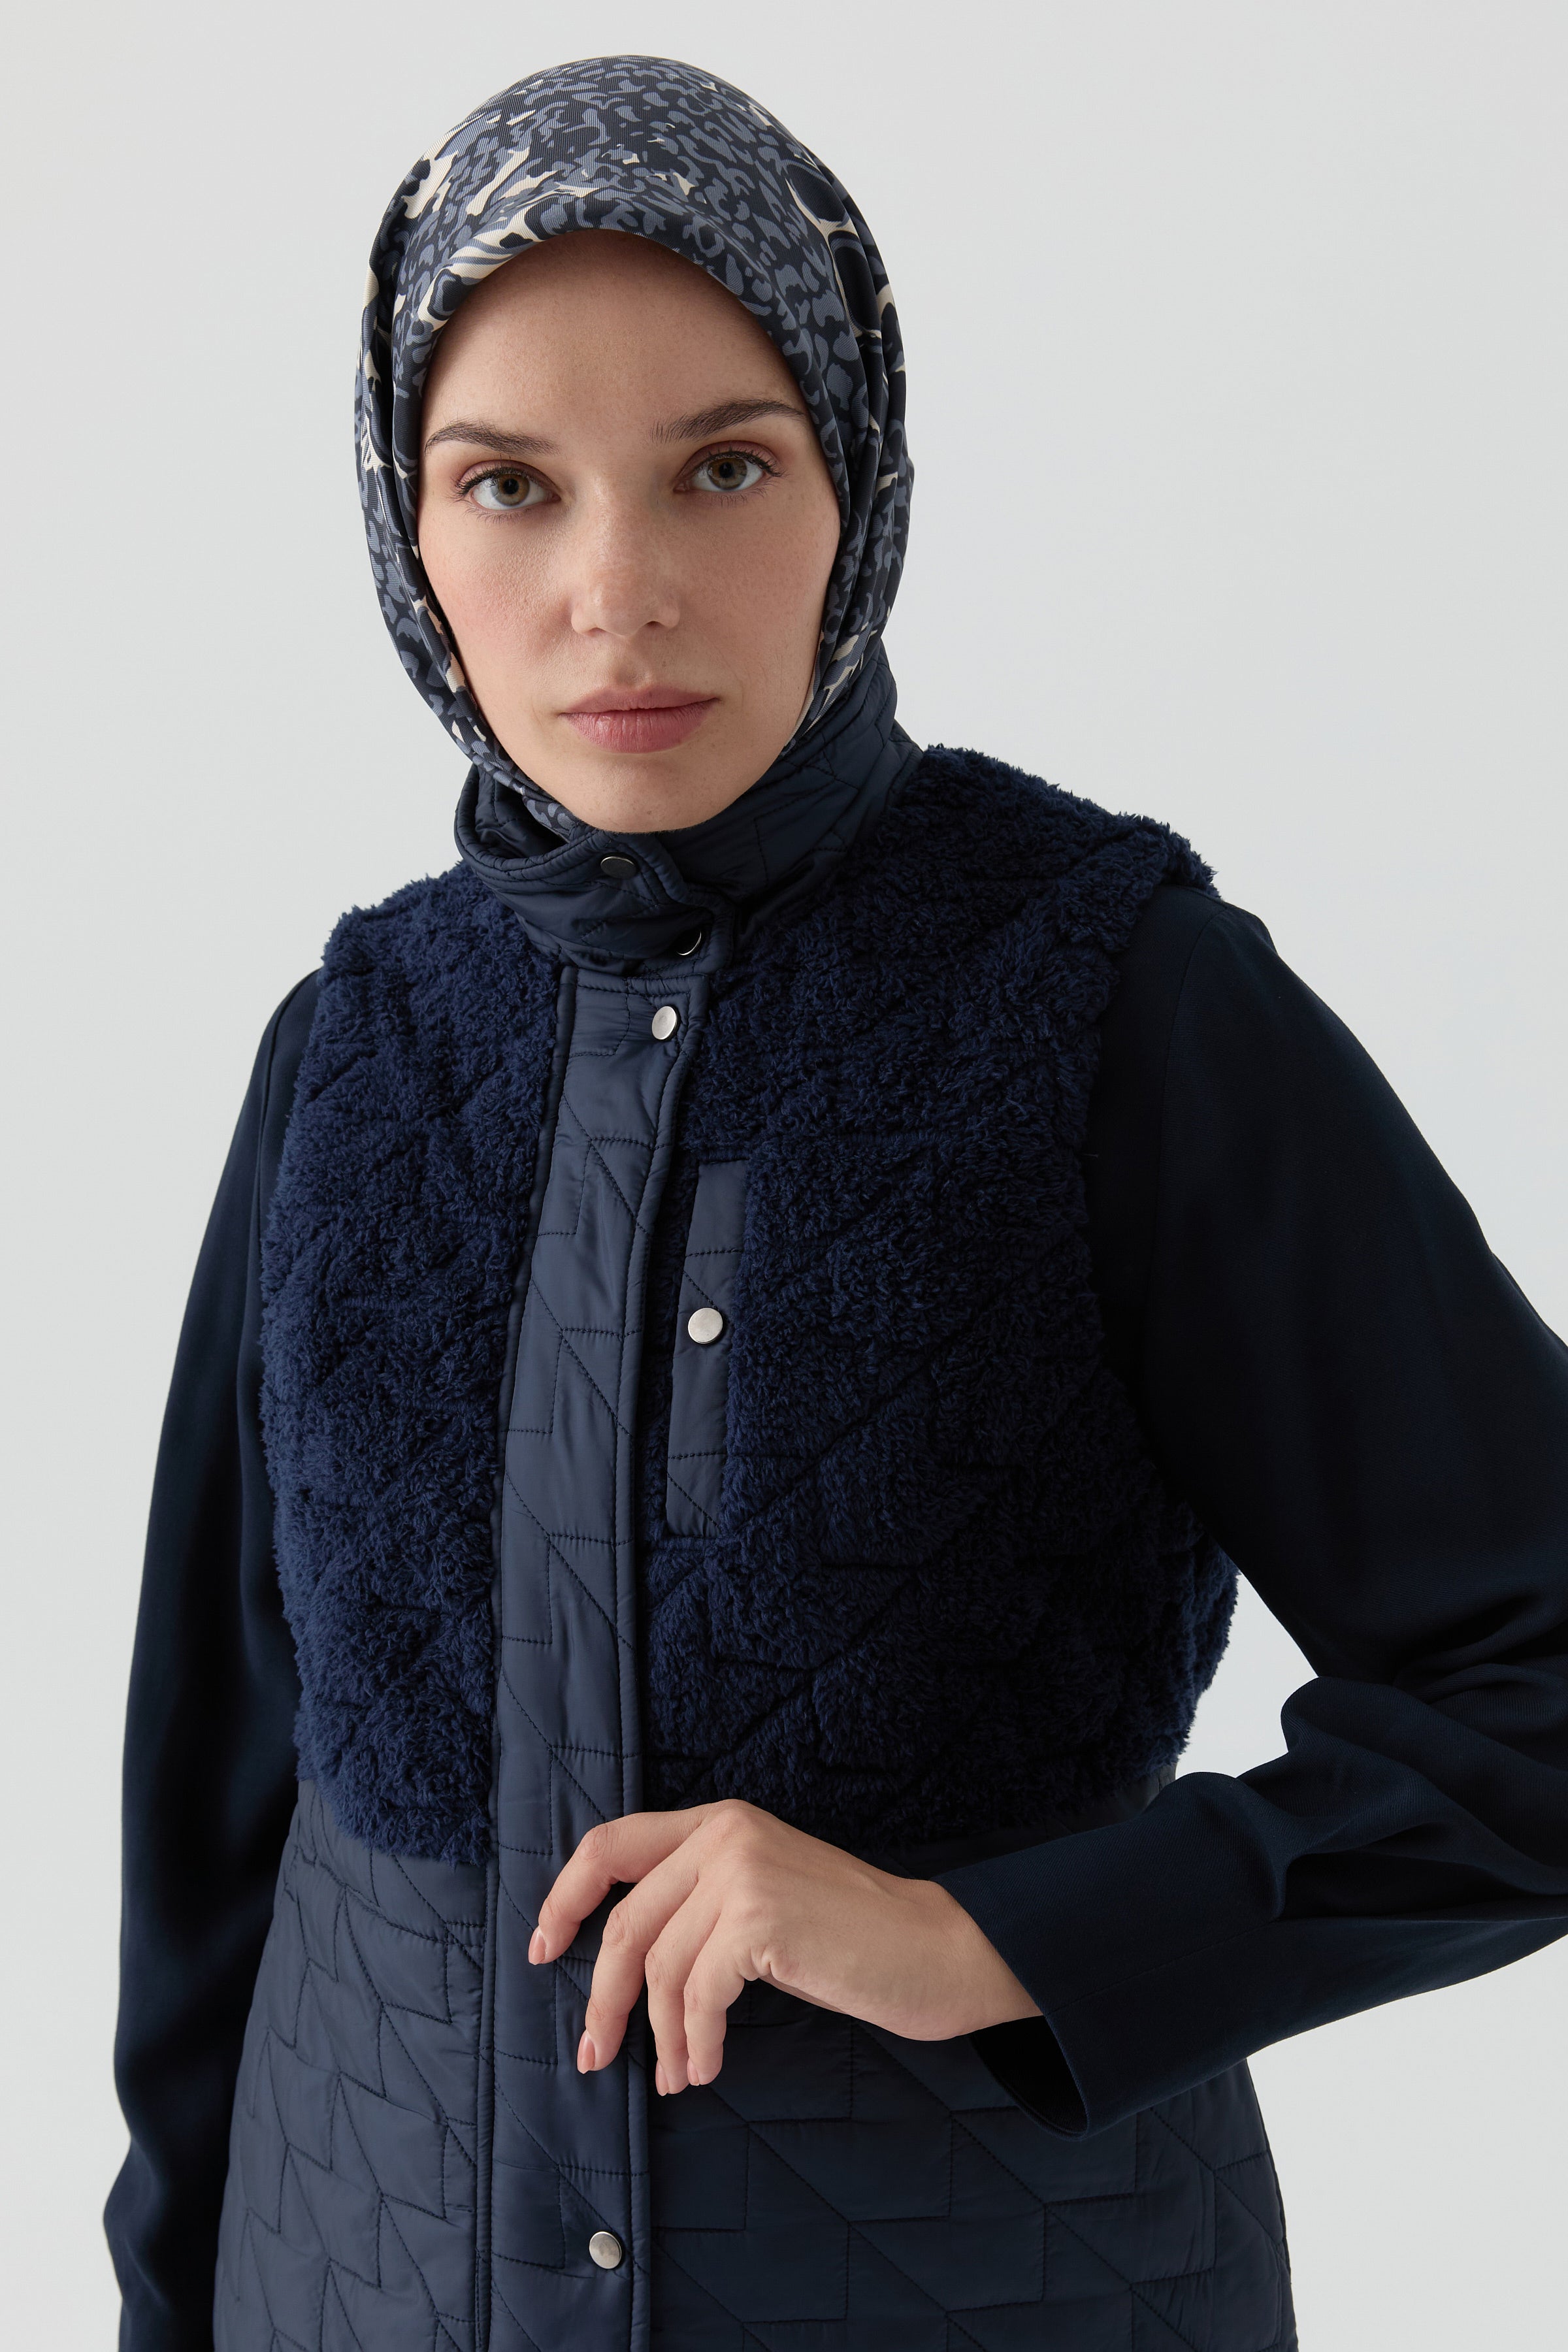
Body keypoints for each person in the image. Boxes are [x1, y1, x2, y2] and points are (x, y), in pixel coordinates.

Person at [105, 53, 1568, 2352]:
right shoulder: (351, 1047)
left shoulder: (1106, 992)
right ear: (407, 530)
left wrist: (981, 1940)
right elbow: (214, 1826)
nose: (617, 594)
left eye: (723, 466)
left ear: (855, 477)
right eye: (508, 485)